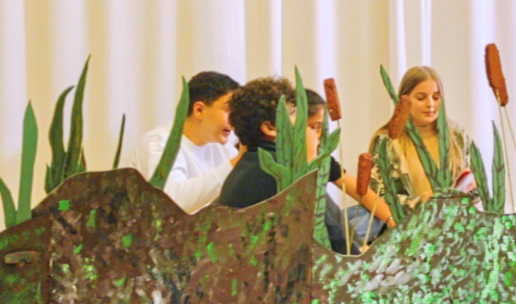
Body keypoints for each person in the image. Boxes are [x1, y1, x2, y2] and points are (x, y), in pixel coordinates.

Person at [215, 78, 394, 253]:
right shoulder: (284, 173)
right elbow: (332, 238)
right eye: (293, 113)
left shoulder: (245, 169)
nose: (302, 121)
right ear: (270, 128)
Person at [353, 66, 473, 240]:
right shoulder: (387, 142)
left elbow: (474, 190)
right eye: (421, 98)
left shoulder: (457, 137)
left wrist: (471, 191)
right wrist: (422, 202)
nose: (430, 104)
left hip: (452, 236)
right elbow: (375, 198)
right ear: (404, 100)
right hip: (404, 236)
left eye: (436, 97)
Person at [126, 71, 242, 213]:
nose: (235, 120)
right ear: (199, 110)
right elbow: (171, 204)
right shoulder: (158, 143)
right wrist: (236, 162)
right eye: (229, 111)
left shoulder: (223, 148)